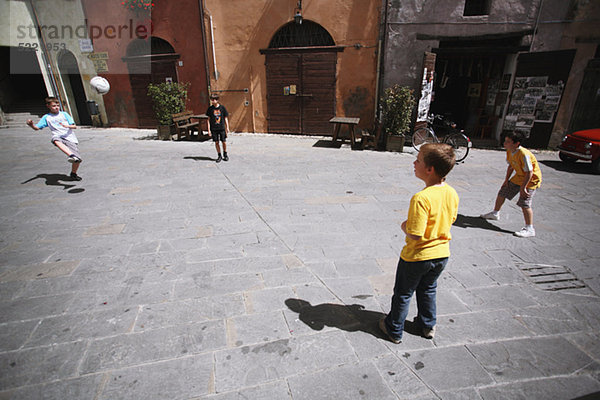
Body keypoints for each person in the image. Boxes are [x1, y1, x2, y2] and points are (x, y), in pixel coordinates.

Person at [379, 143, 459, 344]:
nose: (414, 163)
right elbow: (452, 219)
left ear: (429, 169)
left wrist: (404, 225)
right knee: (428, 289)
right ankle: (427, 325)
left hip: (417, 257)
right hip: (441, 255)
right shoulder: (452, 193)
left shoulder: (421, 198)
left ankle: (394, 329)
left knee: (403, 294)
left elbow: (415, 234)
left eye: (418, 160)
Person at [480, 131, 542, 238]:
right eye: (505, 141)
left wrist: (523, 188)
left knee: (524, 203)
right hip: (519, 176)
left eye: (508, 142)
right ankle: (495, 213)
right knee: (502, 192)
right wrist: (506, 180)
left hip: (531, 179)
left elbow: (529, 172)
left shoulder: (524, 154)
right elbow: (511, 166)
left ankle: (529, 228)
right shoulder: (509, 151)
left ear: (516, 143)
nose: (505, 143)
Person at [26, 97, 83, 181]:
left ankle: (73, 173)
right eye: (53, 106)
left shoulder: (64, 114)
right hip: (58, 136)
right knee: (55, 139)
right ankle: (71, 155)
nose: (56, 107)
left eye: (57, 105)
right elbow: (37, 128)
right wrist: (31, 125)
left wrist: (67, 126)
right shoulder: (47, 117)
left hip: (69, 137)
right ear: (48, 106)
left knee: (78, 160)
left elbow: (74, 126)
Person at [206, 93, 230, 163]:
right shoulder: (210, 109)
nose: (212, 101)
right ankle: (219, 155)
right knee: (216, 142)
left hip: (221, 128)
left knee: (224, 142)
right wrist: (209, 130)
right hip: (214, 128)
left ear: (217, 100)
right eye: (211, 100)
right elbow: (208, 120)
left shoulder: (222, 108)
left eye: (213, 100)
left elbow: (225, 118)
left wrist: (227, 127)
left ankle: (225, 154)